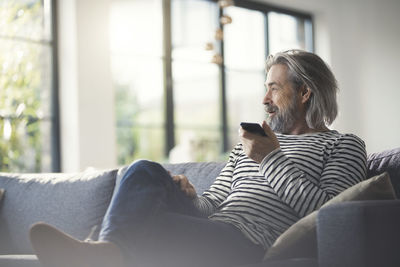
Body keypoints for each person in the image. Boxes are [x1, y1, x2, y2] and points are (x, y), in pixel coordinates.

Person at [30, 50, 367, 267]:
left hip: (248, 243)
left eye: (274, 88)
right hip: (211, 227)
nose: (265, 99)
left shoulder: (343, 145)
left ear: (305, 92)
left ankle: (101, 254)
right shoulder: (251, 145)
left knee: (146, 228)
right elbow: (214, 202)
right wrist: (190, 197)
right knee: (143, 169)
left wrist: (270, 159)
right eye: (265, 88)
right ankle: (105, 252)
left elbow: (329, 217)